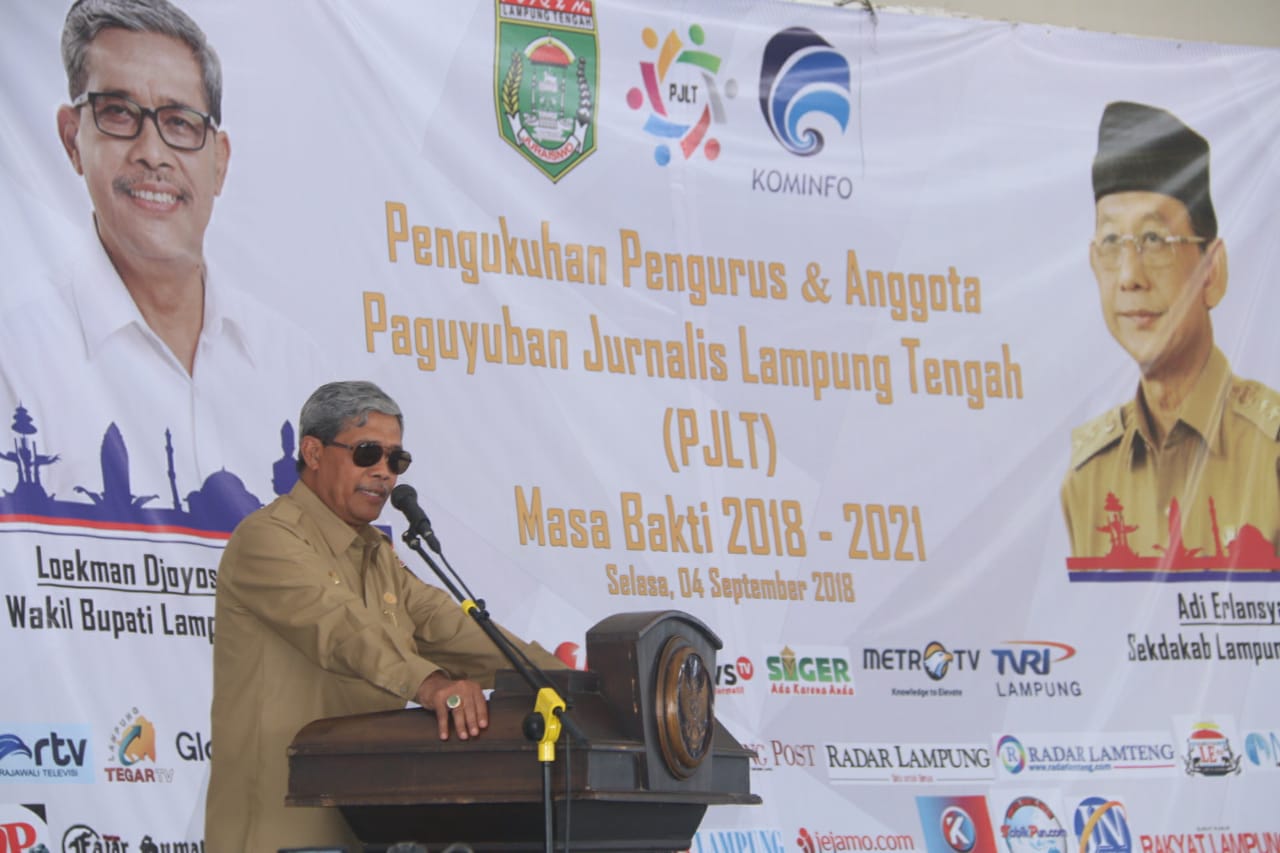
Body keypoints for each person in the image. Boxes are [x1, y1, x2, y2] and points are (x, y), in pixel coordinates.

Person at [0, 0, 330, 518]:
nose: (152, 153)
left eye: (179, 122)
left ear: (219, 162)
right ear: (72, 139)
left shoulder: (298, 370)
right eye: (118, 113)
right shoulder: (14, 358)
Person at [206, 380, 565, 851]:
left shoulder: (377, 554)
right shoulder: (267, 539)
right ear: (313, 452)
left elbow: (452, 628)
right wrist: (430, 685)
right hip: (281, 826)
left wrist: (564, 684)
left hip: (369, 821)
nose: (384, 473)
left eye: (396, 460)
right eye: (367, 453)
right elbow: (341, 630)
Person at [1061, 101, 1280, 564]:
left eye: (1154, 240)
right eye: (1112, 242)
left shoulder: (1271, 453)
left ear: (1211, 271)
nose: (1129, 276)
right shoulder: (1089, 477)